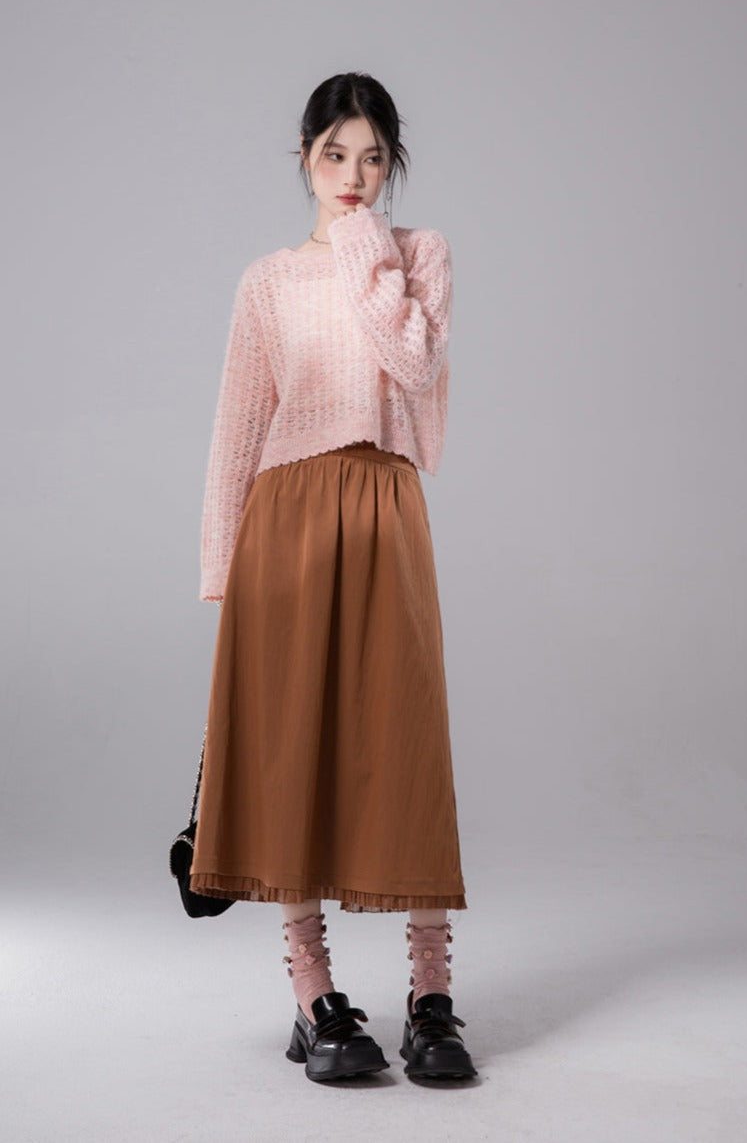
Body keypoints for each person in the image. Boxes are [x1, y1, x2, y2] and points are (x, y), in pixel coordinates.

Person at [189, 71, 477, 1084]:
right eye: (333, 156)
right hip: (286, 519)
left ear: (392, 165)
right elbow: (238, 424)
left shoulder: (417, 255)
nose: (352, 176)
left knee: (404, 739)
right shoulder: (267, 281)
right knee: (291, 746)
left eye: (371, 158)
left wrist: (363, 246)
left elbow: (413, 363)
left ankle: (430, 996)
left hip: (384, 503)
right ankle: (313, 996)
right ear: (305, 158)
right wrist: (222, 568)